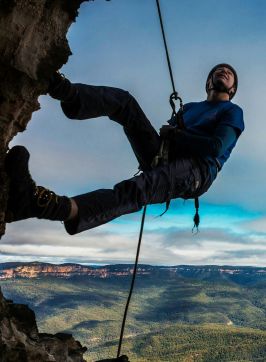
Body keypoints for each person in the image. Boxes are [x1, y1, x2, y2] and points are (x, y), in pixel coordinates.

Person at [5, 63, 244, 235]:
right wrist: (171, 133)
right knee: (125, 103)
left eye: (229, 73)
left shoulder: (232, 112)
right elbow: (168, 134)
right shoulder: (190, 108)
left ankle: (46, 205)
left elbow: (215, 147)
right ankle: (63, 89)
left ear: (231, 90)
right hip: (166, 153)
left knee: (135, 190)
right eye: (218, 70)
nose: (223, 72)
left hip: (197, 171)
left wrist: (176, 134)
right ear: (208, 82)